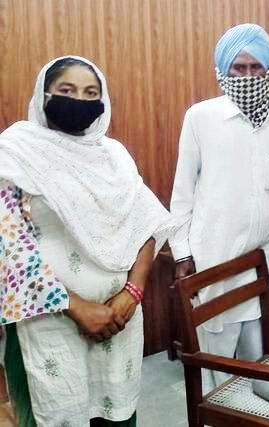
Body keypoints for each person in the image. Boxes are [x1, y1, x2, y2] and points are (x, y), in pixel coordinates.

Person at [0, 56, 173, 426]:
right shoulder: (14, 153)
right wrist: (75, 306)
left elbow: (147, 223)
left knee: (115, 413)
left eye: (91, 93)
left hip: (120, 319)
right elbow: (9, 244)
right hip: (48, 321)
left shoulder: (114, 156)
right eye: (67, 90)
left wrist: (133, 292)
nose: (79, 100)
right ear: (44, 94)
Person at [169, 24, 269, 391]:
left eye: (256, 67)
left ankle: (256, 411)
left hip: (261, 259)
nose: (248, 77)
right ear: (223, 70)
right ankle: (217, 411)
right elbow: (182, 192)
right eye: (239, 68)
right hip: (214, 258)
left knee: (259, 361)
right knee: (217, 363)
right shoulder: (201, 117)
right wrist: (181, 254)